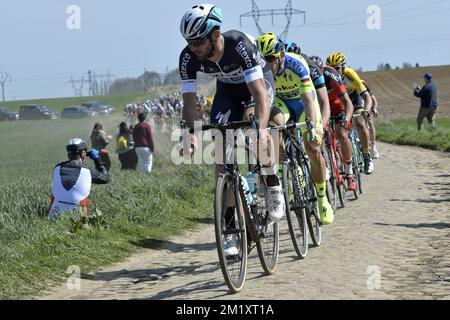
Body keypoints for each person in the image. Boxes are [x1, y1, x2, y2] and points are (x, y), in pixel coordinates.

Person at [179, 4, 285, 256]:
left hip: (257, 86)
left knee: (254, 130)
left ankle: (273, 185)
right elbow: (189, 103)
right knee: (220, 155)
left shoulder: (238, 44)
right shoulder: (187, 57)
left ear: (215, 34)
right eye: (189, 42)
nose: (193, 47)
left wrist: (260, 129)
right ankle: (229, 230)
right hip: (227, 92)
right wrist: (190, 133)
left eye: (197, 41)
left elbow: (259, 95)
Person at [257, 32, 334, 224]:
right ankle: (284, 171)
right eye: (263, 59)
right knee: (274, 131)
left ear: (281, 55)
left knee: (313, 146)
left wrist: (315, 128)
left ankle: (322, 197)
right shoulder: (261, 70)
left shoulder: (296, 64)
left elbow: (309, 101)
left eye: (271, 58)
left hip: (302, 103)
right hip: (283, 104)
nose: (267, 63)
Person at [310, 55, 357, 191]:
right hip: (320, 109)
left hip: (337, 106)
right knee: (318, 139)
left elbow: (348, 102)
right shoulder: (307, 78)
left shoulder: (330, 74)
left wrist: (346, 119)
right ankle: (326, 167)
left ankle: (349, 172)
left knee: (341, 134)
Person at [326, 51, 374, 175]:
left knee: (359, 122)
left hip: (354, 98)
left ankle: (366, 156)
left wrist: (366, 111)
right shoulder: (329, 77)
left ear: (343, 67)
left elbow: (367, 96)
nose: (334, 71)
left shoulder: (350, 74)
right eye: (332, 69)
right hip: (341, 101)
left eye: (337, 69)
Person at [48, 138, 109, 220]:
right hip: (78, 219)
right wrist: (96, 159)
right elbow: (105, 178)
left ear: (68, 155)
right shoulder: (87, 170)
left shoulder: (57, 168)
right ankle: (84, 218)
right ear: (83, 154)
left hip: (54, 216)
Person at [361, 79, 380, 159]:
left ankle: (373, 145)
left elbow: (374, 100)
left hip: (366, 107)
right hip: (356, 107)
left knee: (370, 122)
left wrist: (374, 109)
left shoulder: (363, 84)